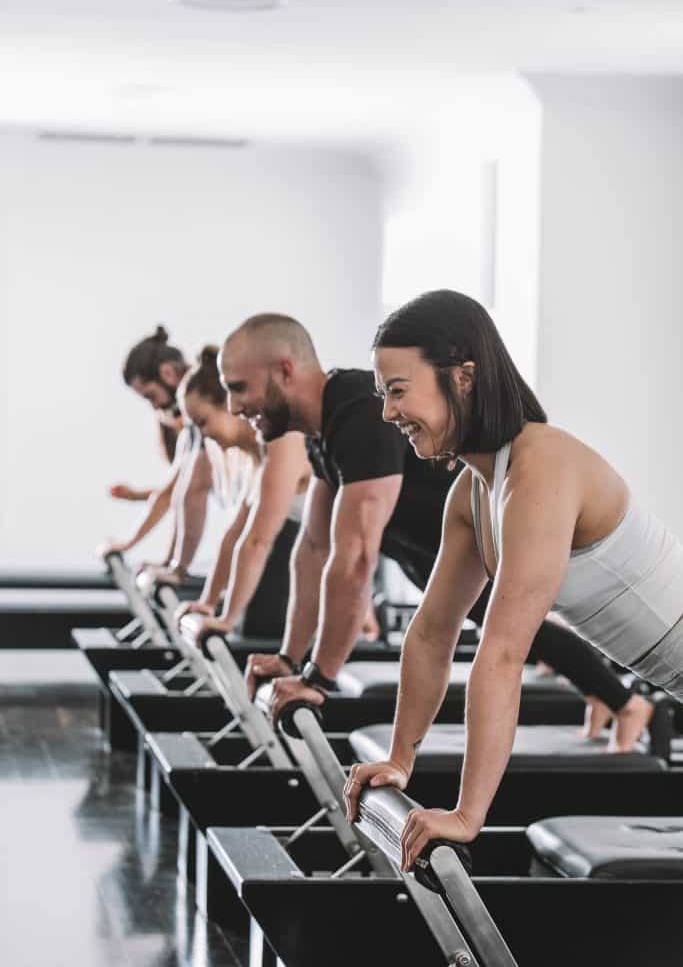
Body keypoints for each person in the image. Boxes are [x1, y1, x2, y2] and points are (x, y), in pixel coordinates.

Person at [344, 289, 683, 869]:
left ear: (464, 377)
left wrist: (467, 815)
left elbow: (501, 656)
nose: (387, 414)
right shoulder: (474, 492)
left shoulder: (540, 469)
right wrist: (401, 758)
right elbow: (432, 632)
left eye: (398, 391)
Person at [220, 313, 652, 747]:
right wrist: (289, 659)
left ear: (285, 370)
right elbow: (313, 549)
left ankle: (626, 702)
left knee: (525, 635)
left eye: (238, 388)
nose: (234, 408)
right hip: (429, 555)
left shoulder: (354, 410)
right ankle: (610, 695)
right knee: (523, 634)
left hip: (486, 545)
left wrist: (317, 680)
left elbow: (354, 559)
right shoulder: (323, 430)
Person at [174, 346, 311, 639]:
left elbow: (257, 542)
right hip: (285, 573)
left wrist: (226, 619)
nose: (205, 435)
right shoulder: (261, 453)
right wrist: (207, 604)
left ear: (228, 405)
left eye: (203, 422)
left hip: (299, 576)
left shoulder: (283, 440)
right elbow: (237, 534)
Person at [98, 326, 212, 581]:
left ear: (168, 373)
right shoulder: (192, 422)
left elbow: (185, 492)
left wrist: (176, 568)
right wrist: (170, 563)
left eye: (151, 395)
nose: (155, 406)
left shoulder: (204, 410)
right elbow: (179, 491)